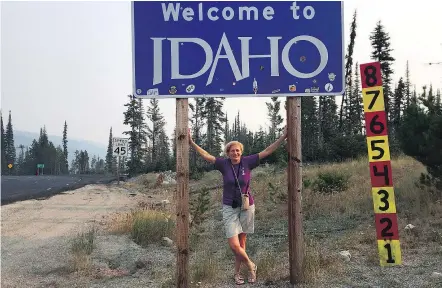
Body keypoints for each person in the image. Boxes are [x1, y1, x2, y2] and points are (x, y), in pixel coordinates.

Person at [188, 127, 288, 285]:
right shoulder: (223, 164)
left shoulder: (248, 162)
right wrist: (191, 142)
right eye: (232, 151)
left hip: (247, 206)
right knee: (234, 245)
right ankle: (251, 265)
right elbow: (206, 155)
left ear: (241, 152)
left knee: (242, 243)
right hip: (229, 206)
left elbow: (268, 151)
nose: (235, 153)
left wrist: (283, 137)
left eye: (237, 150)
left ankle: (237, 274)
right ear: (227, 153)